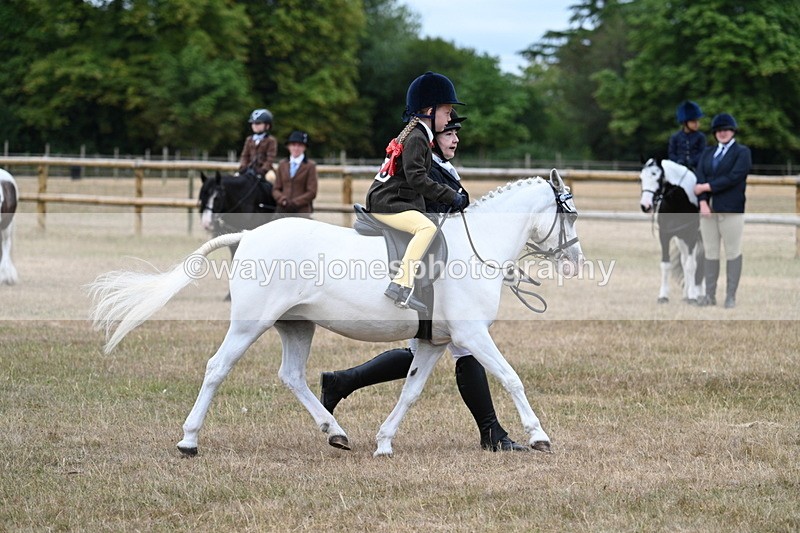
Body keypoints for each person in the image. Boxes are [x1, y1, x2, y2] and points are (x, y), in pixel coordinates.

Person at [320, 111, 528, 452]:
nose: (455, 139)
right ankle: (492, 433)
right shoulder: (426, 160)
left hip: (441, 271)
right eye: (449, 132)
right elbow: (434, 211)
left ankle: (342, 382)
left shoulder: (442, 164)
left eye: (457, 133)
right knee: (458, 346)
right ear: (435, 135)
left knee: (428, 350)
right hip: (430, 272)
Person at [366, 71, 468, 313]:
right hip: (387, 202)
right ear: (429, 112)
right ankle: (401, 285)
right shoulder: (418, 138)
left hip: (392, 199)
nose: (449, 117)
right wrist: (450, 195)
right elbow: (418, 179)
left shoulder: (420, 135)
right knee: (426, 228)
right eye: (446, 112)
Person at [693, 113, 751, 308]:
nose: (722, 133)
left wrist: (707, 188)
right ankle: (710, 295)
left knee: (732, 251)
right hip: (708, 211)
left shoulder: (742, 152)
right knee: (710, 252)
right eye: (719, 131)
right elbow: (699, 178)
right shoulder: (707, 154)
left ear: (732, 131)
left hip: (731, 209)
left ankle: (730, 295)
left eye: (726, 130)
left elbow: (734, 177)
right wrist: (702, 202)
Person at [272, 130, 318, 216]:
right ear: (289, 146)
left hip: (301, 211)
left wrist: (295, 202)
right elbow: (276, 188)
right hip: (282, 209)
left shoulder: (310, 166)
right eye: (293, 145)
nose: (296, 148)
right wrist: (282, 199)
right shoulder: (282, 164)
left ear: (304, 147)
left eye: (300, 145)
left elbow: (312, 192)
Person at [238, 109, 277, 179]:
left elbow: (270, 158)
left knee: (271, 178)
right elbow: (244, 155)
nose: (254, 125)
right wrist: (243, 167)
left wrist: (262, 170)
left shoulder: (271, 140)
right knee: (236, 177)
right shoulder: (249, 139)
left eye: (258, 123)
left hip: (265, 170)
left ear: (267, 126)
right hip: (249, 168)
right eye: (253, 123)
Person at [668, 100, 707, 170]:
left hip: (696, 168)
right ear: (685, 123)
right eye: (693, 121)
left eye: (697, 121)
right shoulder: (675, 137)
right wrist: (678, 161)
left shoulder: (701, 137)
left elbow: (703, 153)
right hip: (679, 169)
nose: (697, 124)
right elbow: (671, 154)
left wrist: (693, 161)